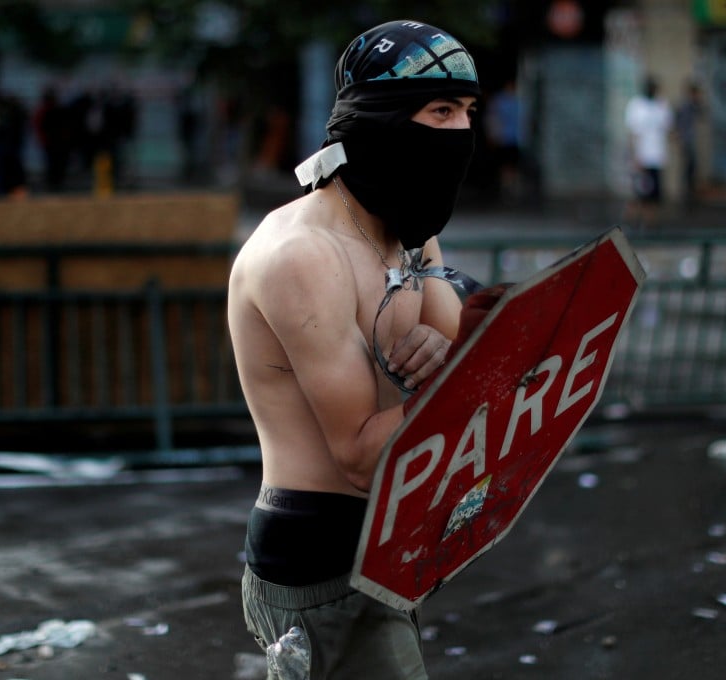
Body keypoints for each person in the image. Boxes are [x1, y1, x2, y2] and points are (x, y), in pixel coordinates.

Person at [228, 20, 492, 679]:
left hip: (389, 545)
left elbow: (467, 349)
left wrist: (454, 355)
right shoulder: (301, 255)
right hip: (316, 560)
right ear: (380, 121)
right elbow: (358, 454)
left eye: (467, 112)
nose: (460, 132)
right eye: (440, 111)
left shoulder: (408, 231)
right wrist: (462, 369)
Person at [624, 75, 673, 228]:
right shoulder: (636, 105)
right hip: (642, 157)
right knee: (638, 193)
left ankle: (649, 223)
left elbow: (668, 129)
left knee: (654, 194)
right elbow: (633, 133)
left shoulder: (662, 105)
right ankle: (630, 223)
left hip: (657, 156)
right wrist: (634, 156)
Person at [674, 79, 705, 207]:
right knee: (689, 169)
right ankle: (687, 197)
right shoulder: (686, 106)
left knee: (690, 169)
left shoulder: (690, 106)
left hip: (687, 140)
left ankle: (689, 196)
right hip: (686, 141)